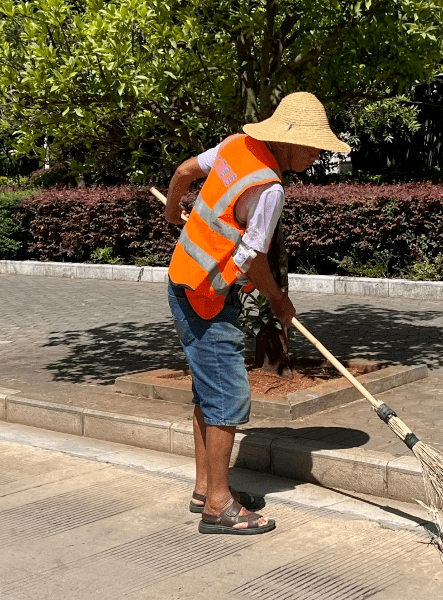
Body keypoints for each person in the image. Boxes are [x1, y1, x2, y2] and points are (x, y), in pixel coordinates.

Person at [163, 92, 350, 535]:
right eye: (313, 145)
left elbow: (185, 171)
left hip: (181, 279)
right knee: (227, 395)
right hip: (206, 295)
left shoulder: (234, 147)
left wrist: (173, 209)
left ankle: (206, 488)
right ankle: (219, 508)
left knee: (207, 392)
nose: (318, 154)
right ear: (287, 141)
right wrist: (279, 301)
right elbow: (252, 258)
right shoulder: (269, 187)